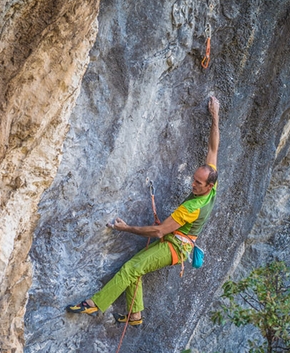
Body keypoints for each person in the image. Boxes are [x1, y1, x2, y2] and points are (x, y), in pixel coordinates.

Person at [66, 96, 220, 326]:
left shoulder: (191, 208)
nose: (193, 185)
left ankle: (95, 303)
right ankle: (135, 315)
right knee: (136, 269)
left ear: (208, 185)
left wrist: (125, 228)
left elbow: (158, 232)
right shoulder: (212, 184)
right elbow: (213, 148)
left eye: (198, 183)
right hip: (176, 241)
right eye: (194, 179)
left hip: (174, 247)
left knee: (131, 268)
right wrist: (215, 116)